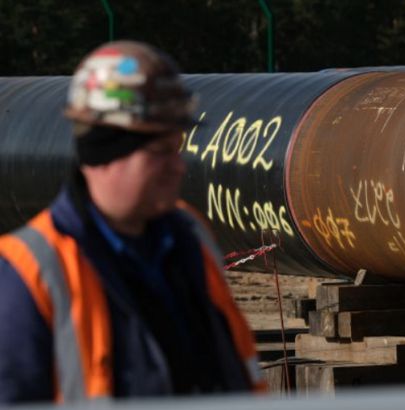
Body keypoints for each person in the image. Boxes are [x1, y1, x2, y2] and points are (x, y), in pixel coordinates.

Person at [0, 41, 265, 403]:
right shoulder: (30, 272)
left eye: (177, 149)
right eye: (161, 152)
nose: (179, 167)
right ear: (106, 150)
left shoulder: (190, 236)